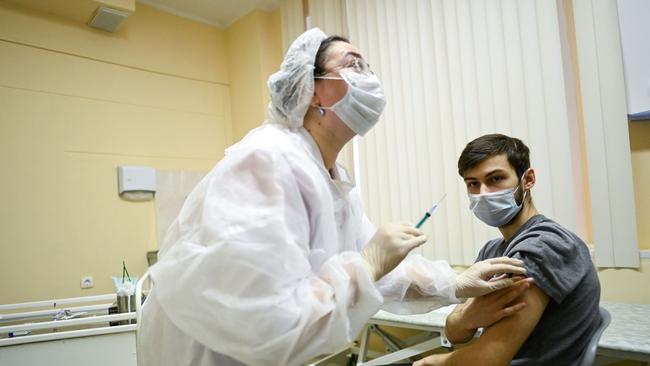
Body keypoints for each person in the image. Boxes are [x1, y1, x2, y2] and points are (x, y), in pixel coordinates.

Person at [137, 29, 526, 366]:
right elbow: (270, 322)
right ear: (312, 89)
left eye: (369, 68)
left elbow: (387, 275)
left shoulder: (333, 181)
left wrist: (454, 283)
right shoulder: (267, 161)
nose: (370, 78)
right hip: (209, 355)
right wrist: (369, 262)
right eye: (354, 65)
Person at [414, 134, 601, 366]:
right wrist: (465, 318)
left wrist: (434, 362)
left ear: (528, 179)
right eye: (473, 183)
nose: (483, 192)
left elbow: (488, 360)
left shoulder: (543, 246)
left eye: (495, 179)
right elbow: (454, 333)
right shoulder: (492, 251)